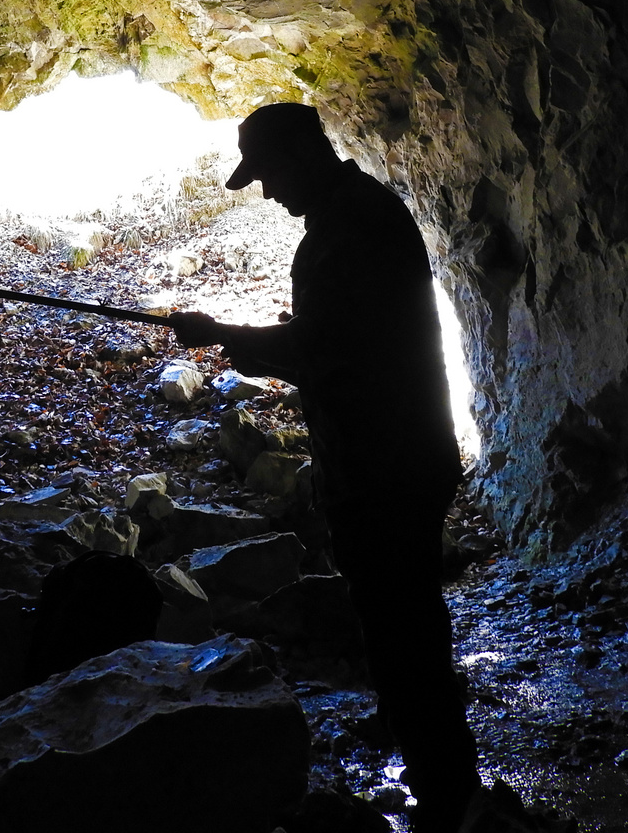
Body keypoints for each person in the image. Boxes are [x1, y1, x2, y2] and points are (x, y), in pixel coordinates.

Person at [169, 102, 481, 833]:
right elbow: (340, 336)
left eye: (271, 174)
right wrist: (246, 340)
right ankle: (426, 750)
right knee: (400, 614)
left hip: (385, 460)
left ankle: (446, 790)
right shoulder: (359, 214)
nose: (269, 192)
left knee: (401, 620)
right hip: (393, 452)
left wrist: (224, 335)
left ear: (304, 157)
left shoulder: (349, 228)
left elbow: (328, 347)